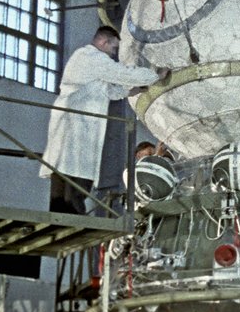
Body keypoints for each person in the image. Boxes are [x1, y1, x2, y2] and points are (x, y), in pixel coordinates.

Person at [40, 26, 168, 214]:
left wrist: (137, 90)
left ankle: (63, 222)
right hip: (76, 127)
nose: (114, 53)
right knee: (74, 183)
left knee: (66, 180)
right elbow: (122, 73)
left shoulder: (87, 63)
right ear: (103, 42)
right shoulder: (91, 57)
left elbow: (110, 91)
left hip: (72, 126)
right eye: (113, 48)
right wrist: (154, 75)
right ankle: (72, 224)